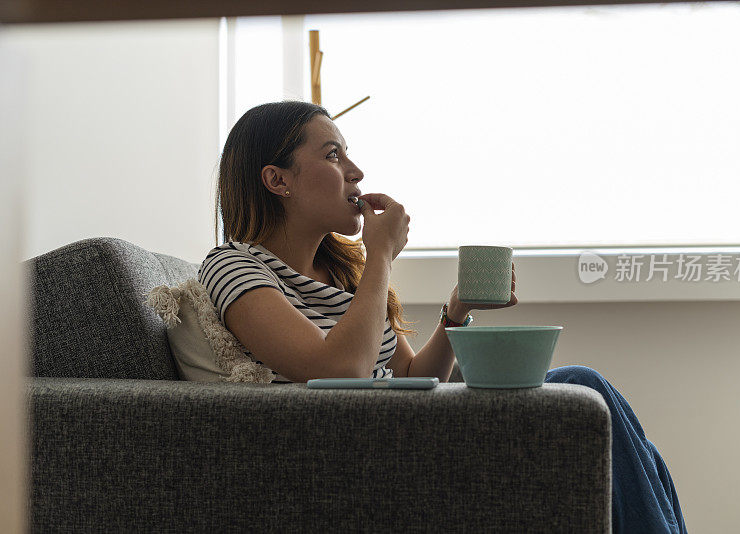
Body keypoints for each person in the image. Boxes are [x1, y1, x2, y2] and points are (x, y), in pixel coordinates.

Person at [198, 100, 688, 533]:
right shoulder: (234, 265)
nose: (356, 171)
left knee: (617, 431)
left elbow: (413, 374)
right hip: (352, 449)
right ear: (276, 179)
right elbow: (339, 371)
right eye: (332, 155)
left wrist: (458, 310)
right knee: (585, 388)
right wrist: (382, 256)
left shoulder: (342, 273)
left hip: (401, 424)